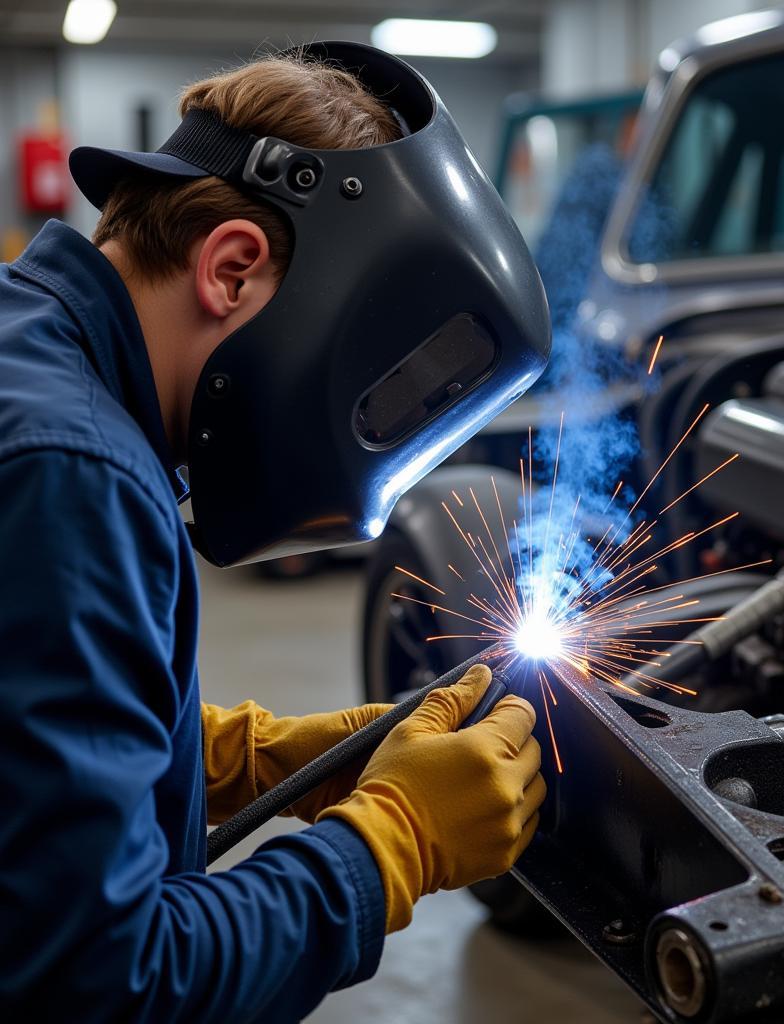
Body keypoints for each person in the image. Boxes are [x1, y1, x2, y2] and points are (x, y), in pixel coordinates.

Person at [0, 43, 549, 1021]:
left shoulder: (30, 354)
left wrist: (232, 757)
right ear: (234, 269)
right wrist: (391, 842)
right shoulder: (74, 472)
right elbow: (96, 981)